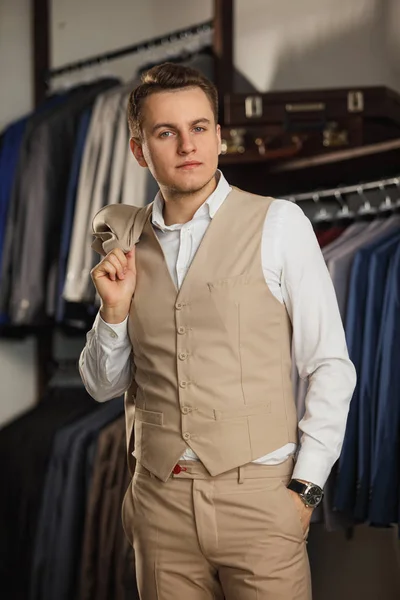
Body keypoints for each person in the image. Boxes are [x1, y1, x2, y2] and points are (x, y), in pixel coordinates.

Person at [80, 62, 356, 600]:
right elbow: (102, 386)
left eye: (200, 128)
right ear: (140, 151)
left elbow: (329, 365)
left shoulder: (279, 225)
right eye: (167, 132)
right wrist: (113, 313)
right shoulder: (126, 242)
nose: (188, 145)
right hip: (159, 504)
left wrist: (305, 490)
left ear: (219, 137)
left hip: (260, 503)